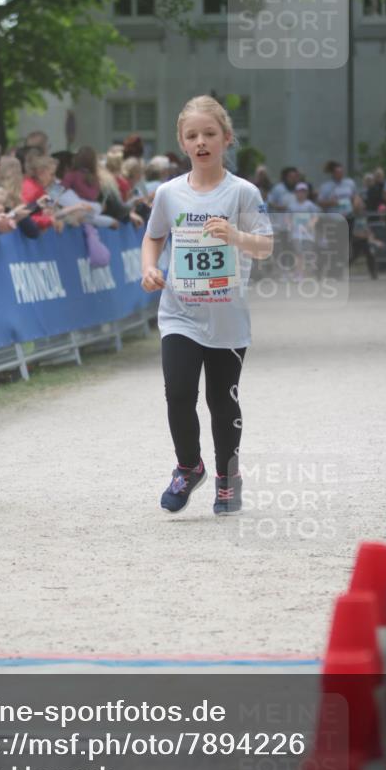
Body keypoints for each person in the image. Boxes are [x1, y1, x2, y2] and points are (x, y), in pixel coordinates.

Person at [141, 95, 273, 515]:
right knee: (179, 393)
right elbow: (153, 236)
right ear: (182, 142)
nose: (201, 142)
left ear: (226, 138)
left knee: (222, 400)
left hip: (227, 318)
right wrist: (149, 267)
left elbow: (266, 246)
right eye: (192, 135)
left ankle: (227, 478)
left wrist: (235, 236)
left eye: (209, 134)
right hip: (179, 313)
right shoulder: (169, 193)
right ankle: (188, 467)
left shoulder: (243, 193)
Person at [267, 166, 298, 277]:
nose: (293, 179)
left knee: (294, 248)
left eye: (295, 177)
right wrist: (280, 207)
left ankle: (294, 271)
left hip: (295, 225)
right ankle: (282, 271)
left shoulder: (299, 188)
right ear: (285, 177)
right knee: (282, 248)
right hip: (281, 225)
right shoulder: (278, 188)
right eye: (290, 177)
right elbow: (270, 202)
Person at [287, 181, 320, 280]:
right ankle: (299, 273)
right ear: (296, 192)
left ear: (307, 193)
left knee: (307, 254)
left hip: (308, 234)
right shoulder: (292, 206)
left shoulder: (310, 205)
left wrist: (310, 225)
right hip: (296, 234)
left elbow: (315, 217)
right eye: (299, 191)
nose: (301, 193)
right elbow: (288, 217)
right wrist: (290, 225)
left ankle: (306, 273)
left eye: (303, 191)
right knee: (298, 253)